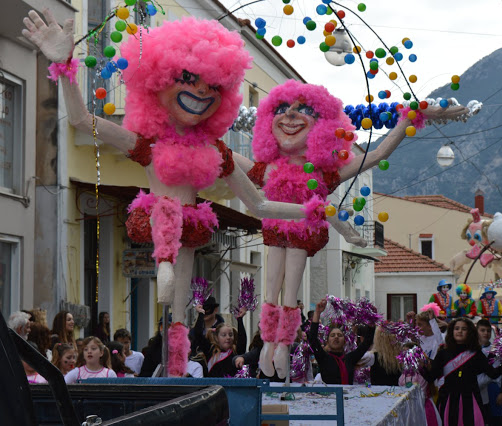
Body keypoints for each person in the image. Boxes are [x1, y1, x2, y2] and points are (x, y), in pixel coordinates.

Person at [21, 12, 311, 375]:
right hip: (159, 216)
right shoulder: (149, 144)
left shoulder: (215, 151)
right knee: (168, 237)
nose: (202, 90)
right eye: (188, 78)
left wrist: (309, 210)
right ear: (157, 82)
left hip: (189, 224)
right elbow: (82, 121)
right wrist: (63, 65)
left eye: (213, 84)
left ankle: (175, 368)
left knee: (178, 310)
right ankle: (163, 264)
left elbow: (259, 201)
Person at [238, 80, 463, 378]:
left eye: (303, 110)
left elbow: (376, 155)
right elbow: (232, 163)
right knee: (271, 290)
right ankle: (268, 341)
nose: (290, 117)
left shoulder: (321, 173)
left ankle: (282, 344)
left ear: (322, 127)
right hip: (276, 229)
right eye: (281, 109)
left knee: (289, 292)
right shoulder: (268, 169)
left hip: (302, 233)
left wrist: (409, 120)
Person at [425, 317, 502, 426]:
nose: (459, 331)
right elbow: (430, 377)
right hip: (448, 400)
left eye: (464, 329)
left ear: (470, 332)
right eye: (456, 328)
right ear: (452, 331)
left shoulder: (476, 353)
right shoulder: (443, 354)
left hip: (470, 400)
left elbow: (493, 374)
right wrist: (420, 366)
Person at [308, 298, 374, 384]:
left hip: (347, 396)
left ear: (344, 341)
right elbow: (313, 339)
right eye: (332, 335)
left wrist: (371, 320)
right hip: (330, 396)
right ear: (327, 341)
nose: (336, 337)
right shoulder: (323, 357)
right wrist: (317, 313)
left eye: (339, 335)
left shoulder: (350, 358)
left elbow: (366, 343)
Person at [476, 319, 502, 426]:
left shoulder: (498, 349)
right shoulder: (471, 350)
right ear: (476, 331)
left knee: (496, 421)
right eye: (482, 330)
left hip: (494, 390)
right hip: (478, 391)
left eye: (488, 331)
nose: (486, 333)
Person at [203, 309, 247, 377]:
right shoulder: (210, 351)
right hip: (213, 386)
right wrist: (200, 314)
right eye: (223, 335)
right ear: (217, 338)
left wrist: (240, 319)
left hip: (231, 386)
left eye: (230, 335)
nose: (228, 337)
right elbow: (198, 335)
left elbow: (242, 341)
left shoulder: (235, 353)